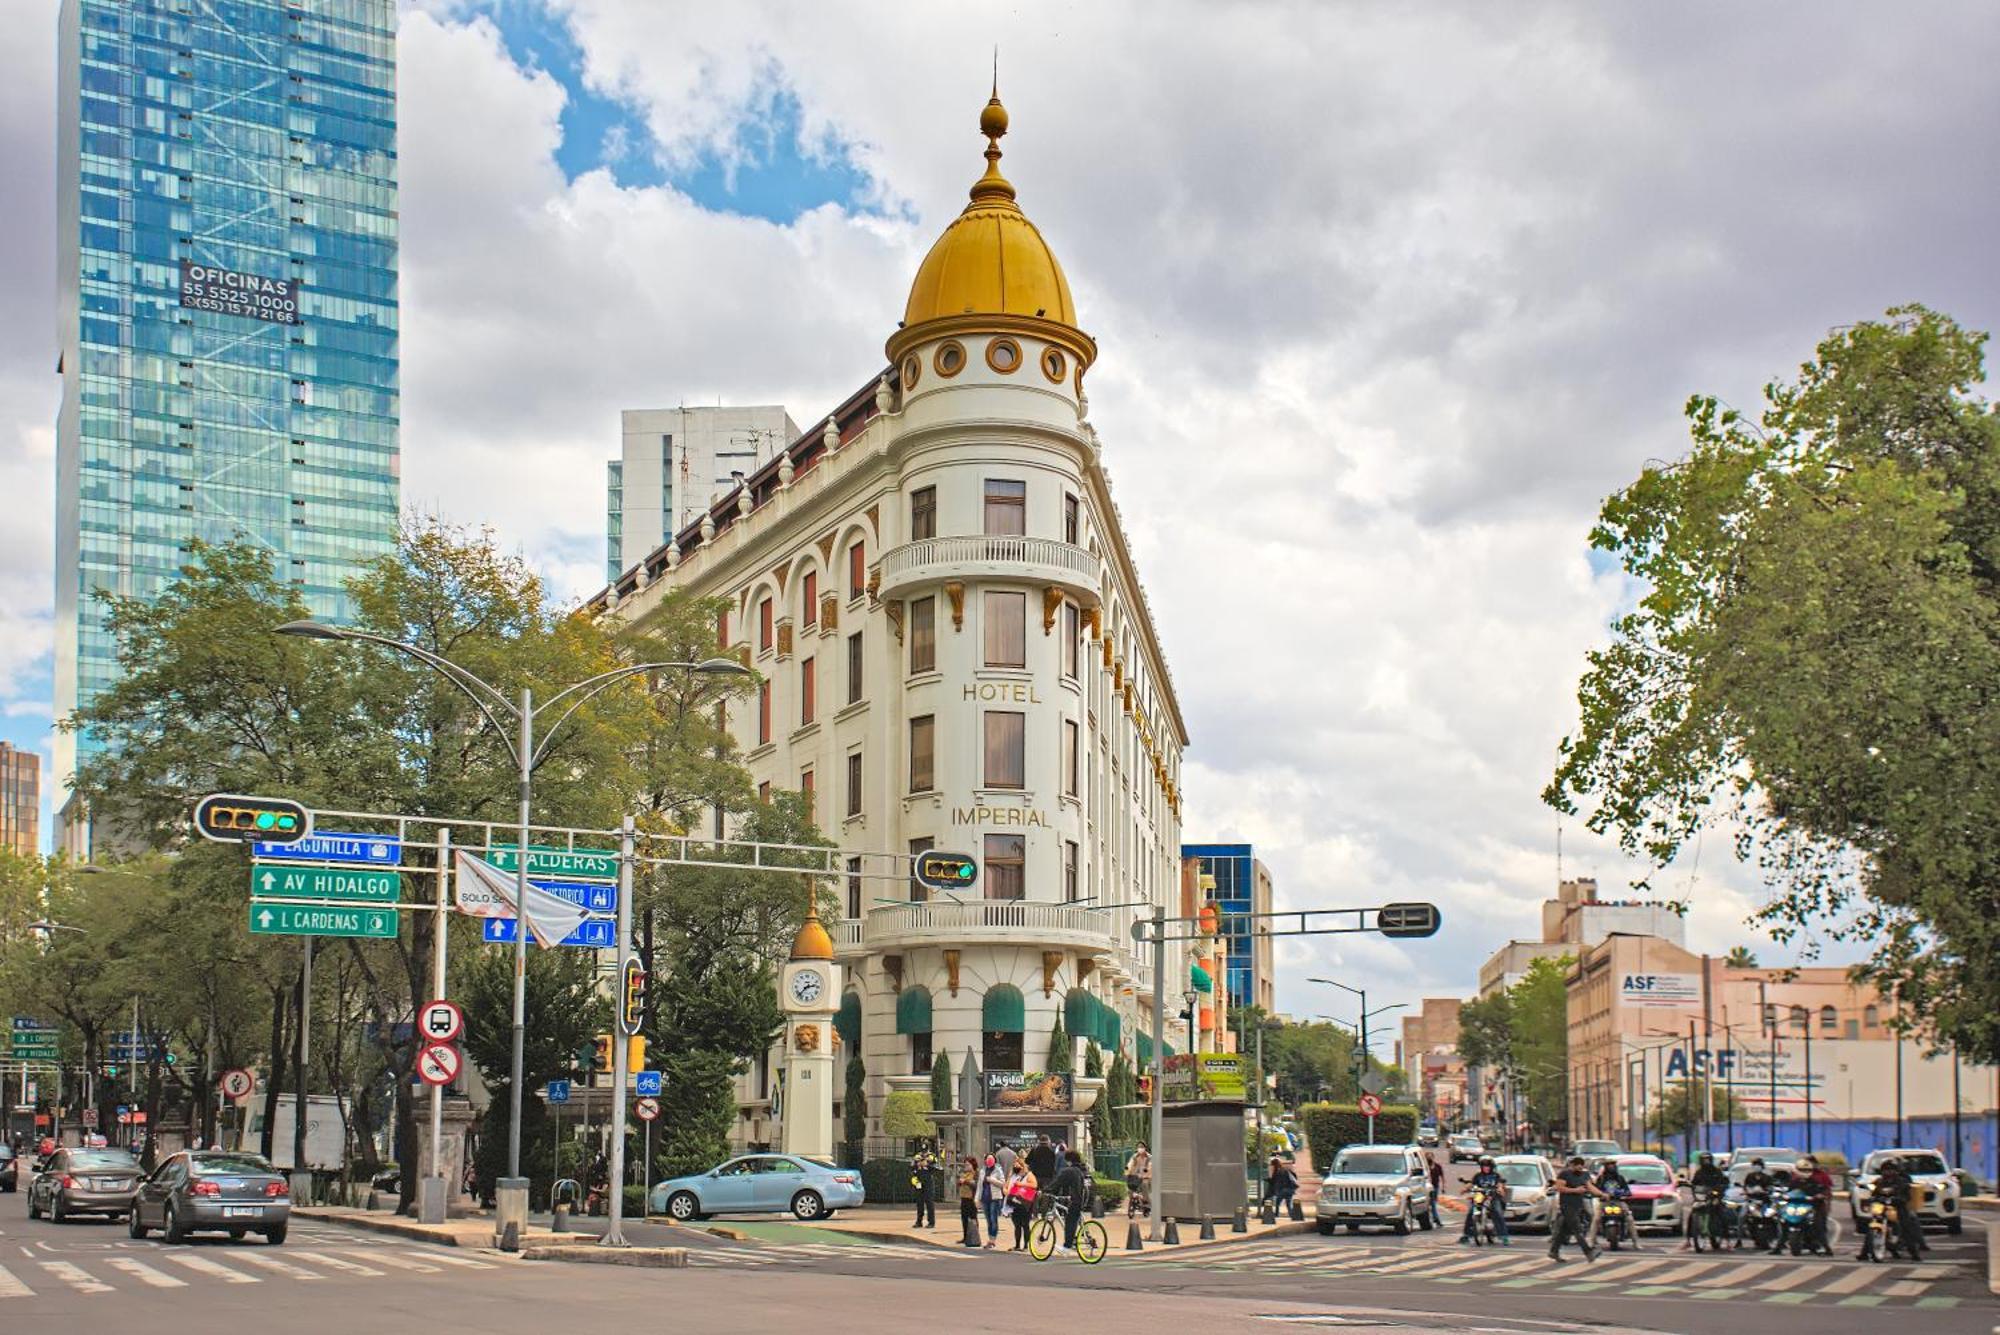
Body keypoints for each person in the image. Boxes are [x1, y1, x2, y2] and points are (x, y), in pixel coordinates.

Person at [1548, 1155, 1602, 1263]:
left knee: (1563, 1231)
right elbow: (1560, 1188)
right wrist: (1575, 1190)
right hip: (1566, 1205)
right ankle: (1589, 1252)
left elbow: (1590, 1187)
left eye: (1581, 1167)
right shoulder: (1564, 1174)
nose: (1579, 1169)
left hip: (1577, 1206)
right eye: (1577, 1167)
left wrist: (1602, 1194)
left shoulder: (1584, 1175)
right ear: (1571, 1165)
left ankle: (1553, 1251)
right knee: (1578, 1230)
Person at [1874, 1156, 1927, 1261]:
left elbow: (1906, 1196)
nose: (1888, 1172)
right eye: (1885, 1170)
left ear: (1896, 1171)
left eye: (1890, 1170)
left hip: (1898, 1207)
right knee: (1873, 1224)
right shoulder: (1880, 1182)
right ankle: (1866, 1252)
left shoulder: (1901, 1181)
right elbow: (1874, 1194)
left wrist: (1899, 1199)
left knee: (1906, 1227)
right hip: (1883, 1206)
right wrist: (1873, 1199)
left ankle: (1914, 1253)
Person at [1460, 1155, 1510, 1245]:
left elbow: (1500, 1184)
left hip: (1492, 1196)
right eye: (1484, 1166)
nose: (1486, 1168)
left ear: (1491, 1167)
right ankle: (1466, 1235)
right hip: (1480, 1195)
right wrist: (1465, 1189)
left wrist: (1500, 1189)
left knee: (1497, 1212)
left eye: (1488, 1166)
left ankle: (1504, 1236)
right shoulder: (1478, 1175)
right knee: (1471, 1212)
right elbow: (1471, 1184)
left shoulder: (1496, 1175)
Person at [1683, 1152, 1727, 1250]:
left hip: (1714, 1197)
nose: (1706, 1162)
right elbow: (1694, 1183)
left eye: (1708, 1160)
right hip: (1702, 1197)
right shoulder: (1699, 1172)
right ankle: (1688, 1240)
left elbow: (1723, 1182)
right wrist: (1688, 1184)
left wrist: (1718, 1190)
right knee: (1691, 1215)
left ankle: (1727, 1241)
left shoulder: (1716, 1171)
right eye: (1704, 1160)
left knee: (1721, 1214)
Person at [1050, 1149, 1090, 1252]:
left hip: (1077, 1199)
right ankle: (1085, 1236)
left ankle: (1067, 1247)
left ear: (1069, 1160)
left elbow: (1057, 1183)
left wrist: (1046, 1190)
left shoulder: (1070, 1171)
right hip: (1085, 1197)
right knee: (1075, 1217)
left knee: (1070, 1221)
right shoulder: (1082, 1169)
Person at [1795, 1155, 1836, 1256]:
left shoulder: (1821, 1176)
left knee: (1819, 1227)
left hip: (1816, 1205)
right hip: (1801, 1205)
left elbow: (1826, 1190)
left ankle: (1826, 1248)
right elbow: (1792, 1189)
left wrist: (1824, 1200)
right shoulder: (1798, 1177)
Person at [1591, 1159, 1634, 1249]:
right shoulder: (1601, 1178)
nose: (1611, 1166)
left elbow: (1628, 1191)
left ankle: (1635, 1241)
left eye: (1612, 1164)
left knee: (1629, 1219)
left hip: (1619, 1202)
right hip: (1604, 1203)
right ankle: (1592, 1241)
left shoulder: (1620, 1178)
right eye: (1608, 1165)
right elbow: (1595, 1190)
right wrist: (1600, 1195)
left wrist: (1623, 1193)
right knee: (1596, 1219)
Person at [1005, 1158, 1038, 1251]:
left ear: (1022, 1166)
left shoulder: (1029, 1175)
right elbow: (1007, 1186)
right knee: (1017, 1224)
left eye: (1017, 1165)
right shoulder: (1013, 1176)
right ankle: (1017, 1245)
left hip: (1026, 1202)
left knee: (1025, 1224)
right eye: (1014, 1166)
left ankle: (1026, 1246)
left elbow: (1034, 1185)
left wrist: (1021, 1185)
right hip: (1016, 1202)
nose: (1016, 1167)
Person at [910, 1141, 941, 1228]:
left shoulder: (932, 1157)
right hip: (919, 1181)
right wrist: (917, 1165)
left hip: (928, 1181)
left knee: (929, 1202)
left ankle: (931, 1222)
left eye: (925, 1151)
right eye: (922, 1151)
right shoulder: (917, 1156)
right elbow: (912, 1167)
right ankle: (919, 1221)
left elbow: (937, 1168)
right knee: (919, 1202)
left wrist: (927, 1164)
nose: (924, 1153)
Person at [980, 1154, 1006, 1248]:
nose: (989, 1161)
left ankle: (992, 1240)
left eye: (991, 1159)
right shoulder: (983, 1171)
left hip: (995, 1198)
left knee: (993, 1219)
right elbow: (980, 1185)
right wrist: (977, 1198)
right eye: (987, 1159)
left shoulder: (998, 1170)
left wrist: (992, 1180)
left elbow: (1002, 1183)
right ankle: (990, 1238)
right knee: (988, 1220)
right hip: (985, 1198)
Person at [957, 1155, 981, 1246]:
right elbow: (960, 1183)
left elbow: (976, 1185)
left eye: (968, 1165)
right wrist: (960, 1182)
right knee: (964, 1218)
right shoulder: (965, 1173)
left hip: (971, 1198)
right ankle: (965, 1236)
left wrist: (966, 1181)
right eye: (965, 1165)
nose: (966, 1166)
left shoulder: (976, 1173)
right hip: (964, 1197)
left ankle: (974, 1236)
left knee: (972, 1217)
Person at [1124, 1143, 1152, 1218]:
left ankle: (1147, 1204)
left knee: (1144, 1185)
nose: (1140, 1148)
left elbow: (1150, 1167)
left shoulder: (1149, 1157)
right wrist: (1127, 1170)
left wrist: (1146, 1173)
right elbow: (1130, 1164)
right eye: (1139, 1147)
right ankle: (1133, 1201)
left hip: (1147, 1176)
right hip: (1136, 1176)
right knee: (1130, 1186)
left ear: (1145, 1148)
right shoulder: (1134, 1156)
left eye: (1142, 1147)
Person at [1426, 1153, 1445, 1227]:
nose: (1429, 1159)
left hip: (1435, 1187)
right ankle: (1436, 1219)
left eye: (1430, 1157)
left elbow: (1442, 1177)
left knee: (1433, 1203)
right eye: (1428, 1157)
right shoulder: (1425, 1167)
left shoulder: (1438, 1166)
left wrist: (1443, 1187)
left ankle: (1434, 1218)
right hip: (1427, 1188)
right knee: (1432, 1204)